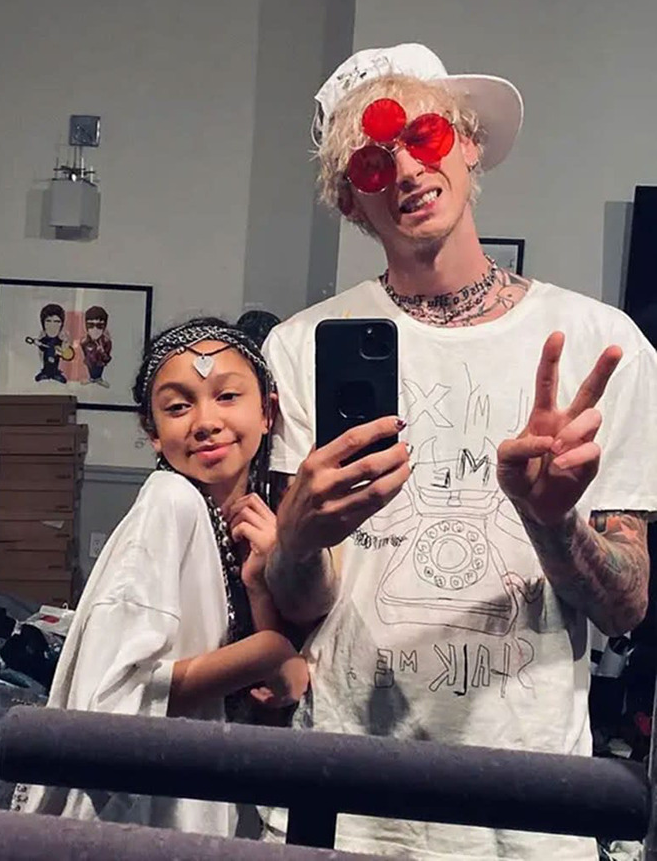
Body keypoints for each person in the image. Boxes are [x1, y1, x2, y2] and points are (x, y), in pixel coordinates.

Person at [261, 43, 657, 859]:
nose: (404, 168)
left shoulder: (599, 343)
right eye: (371, 161)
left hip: (528, 809)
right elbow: (303, 606)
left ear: (469, 145)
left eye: (426, 137)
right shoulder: (301, 348)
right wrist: (296, 539)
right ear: (349, 201)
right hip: (348, 799)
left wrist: (551, 522)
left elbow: (626, 606)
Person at [13, 316, 308, 836]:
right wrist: (271, 655)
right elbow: (108, 704)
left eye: (226, 397)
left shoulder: (253, 525)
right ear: (152, 434)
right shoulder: (170, 502)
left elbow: (265, 705)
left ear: (267, 412)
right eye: (177, 406)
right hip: (139, 822)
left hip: (212, 808)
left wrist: (261, 582)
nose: (205, 421)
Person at [80, 304, 112, 387]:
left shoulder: (106, 342)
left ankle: (98, 379)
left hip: (100, 363)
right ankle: (92, 378)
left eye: (99, 326)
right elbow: (84, 353)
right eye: (90, 325)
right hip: (90, 363)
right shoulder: (85, 342)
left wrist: (102, 352)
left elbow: (107, 358)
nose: (95, 330)